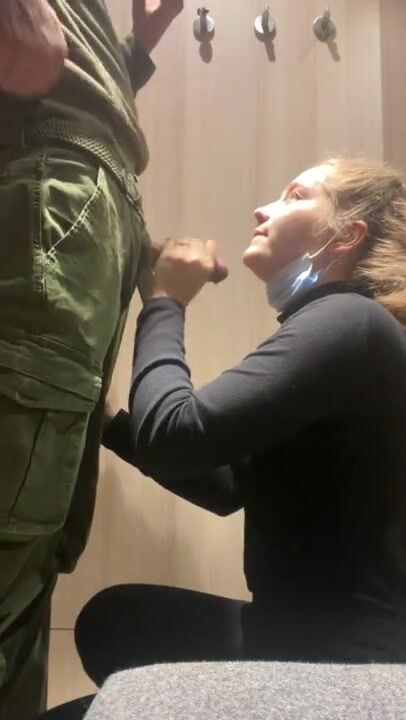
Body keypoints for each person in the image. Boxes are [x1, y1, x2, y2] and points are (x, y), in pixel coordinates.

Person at [75, 158, 406, 686]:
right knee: (117, 621)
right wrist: (110, 422)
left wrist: (166, 302)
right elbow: (227, 486)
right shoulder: (347, 328)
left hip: (344, 668)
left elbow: (175, 438)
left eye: (296, 196)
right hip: (309, 636)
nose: (261, 209)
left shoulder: (349, 322)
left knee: (116, 629)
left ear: (348, 236)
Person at [0, 1, 184, 718]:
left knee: (36, 547)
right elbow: (37, 61)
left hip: (83, 193)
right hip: (60, 177)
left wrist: (136, 49)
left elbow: (66, 73)